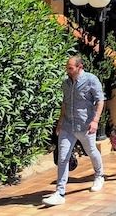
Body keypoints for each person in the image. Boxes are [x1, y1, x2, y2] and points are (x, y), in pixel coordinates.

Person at [43, 56, 106, 207]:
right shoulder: (66, 83)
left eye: (70, 68)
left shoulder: (91, 80)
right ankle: (60, 193)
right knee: (63, 158)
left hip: (85, 125)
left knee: (91, 151)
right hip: (68, 126)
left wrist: (95, 121)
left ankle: (99, 175)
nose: (68, 71)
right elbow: (65, 103)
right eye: (67, 68)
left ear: (80, 67)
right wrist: (60, 122)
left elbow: (100, 101)